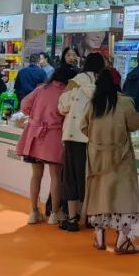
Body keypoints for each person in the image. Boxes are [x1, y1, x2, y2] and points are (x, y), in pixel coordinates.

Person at [81, 67, 139, 254]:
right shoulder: (125, 102)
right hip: (121, 156)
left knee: (100, 194)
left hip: (97, 157)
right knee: (123, 195)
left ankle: (99, 235)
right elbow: (135, 124)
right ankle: (123, 240)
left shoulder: (93, 103)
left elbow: (83, 126)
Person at [17, 65, 68, 224]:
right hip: (54, 136)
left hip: (34, 136)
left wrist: (35, 115)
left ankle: (33, 211)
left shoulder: (41, 89)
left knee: (36, 175)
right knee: (56, 176)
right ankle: (55, 213)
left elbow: (24, 105)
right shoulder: (66, 93)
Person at [58, 56, 99, 232]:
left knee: (71, 177)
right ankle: (90, 217)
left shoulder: (75, 83)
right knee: (91, 177)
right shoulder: (102, 85)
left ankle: (72, 219)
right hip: (94, 137)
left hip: (73, 135)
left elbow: (62, 107)